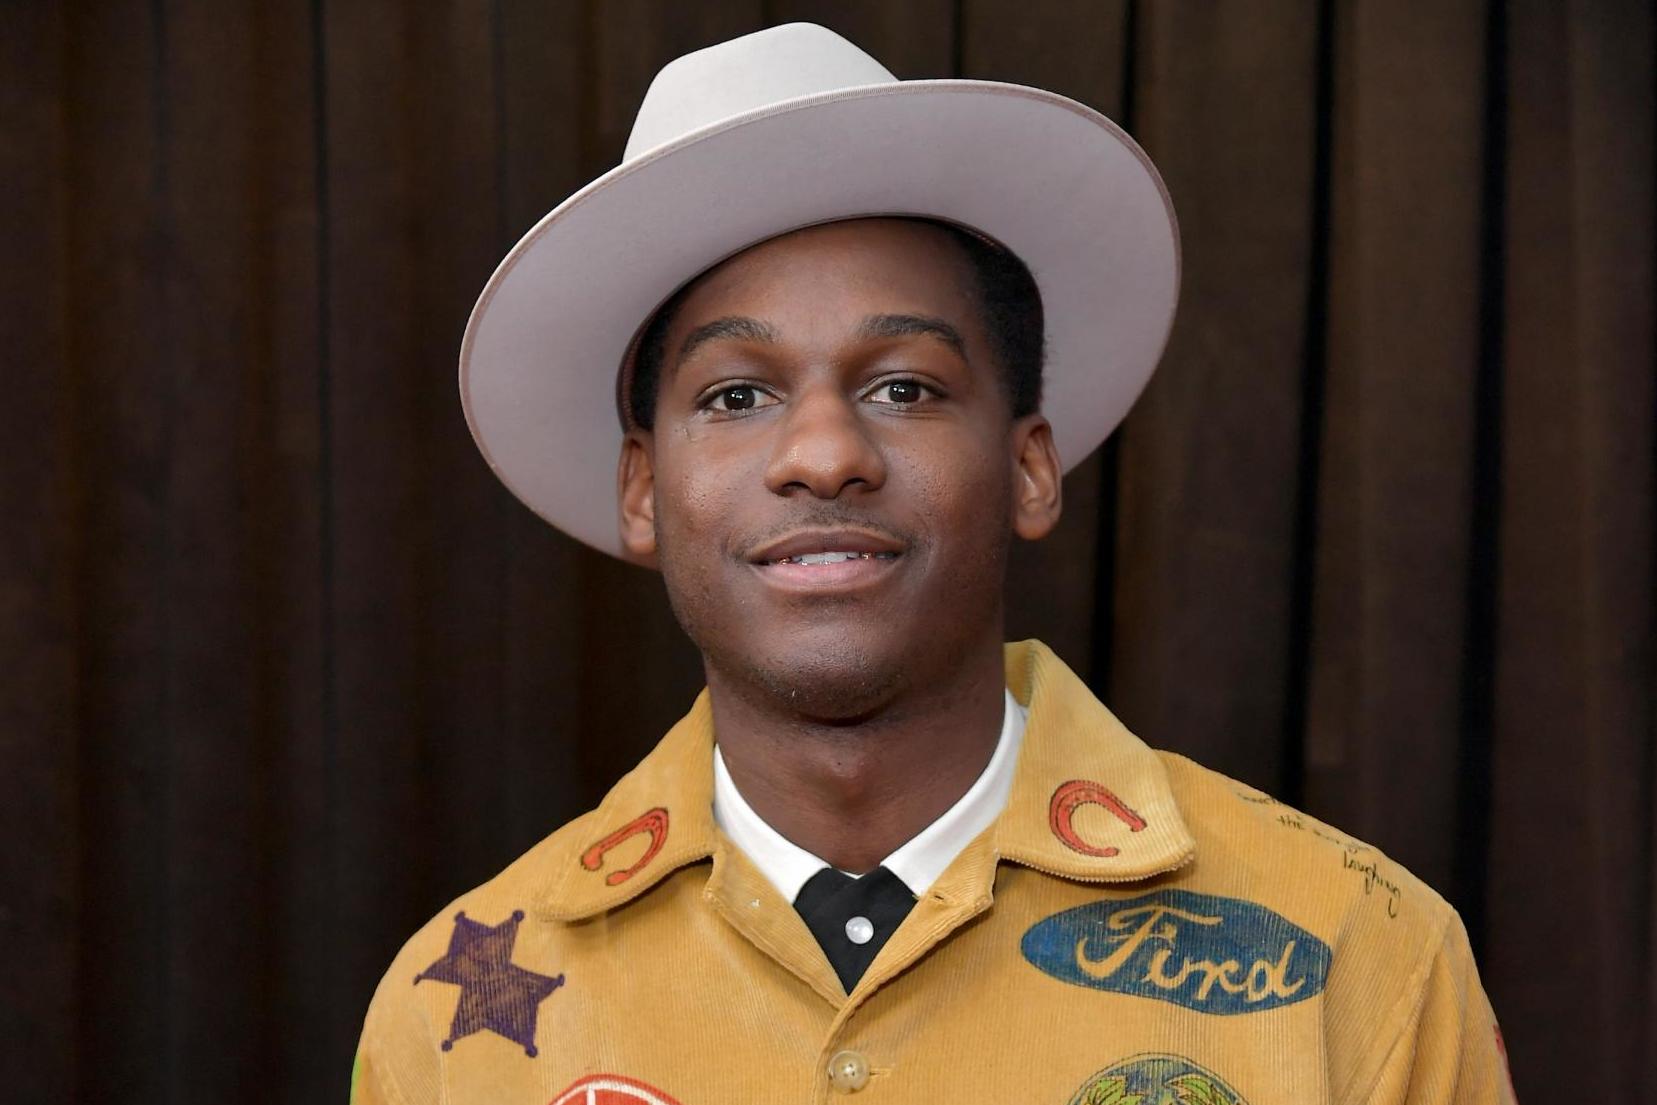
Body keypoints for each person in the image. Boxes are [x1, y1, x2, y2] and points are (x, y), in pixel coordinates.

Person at [352, 23, 1516, 1105]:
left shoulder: (1363, 957)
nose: (822, 455)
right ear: (644, 490)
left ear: (1027, 470)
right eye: (737, 394)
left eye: (903, 386)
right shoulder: (446, 1029)